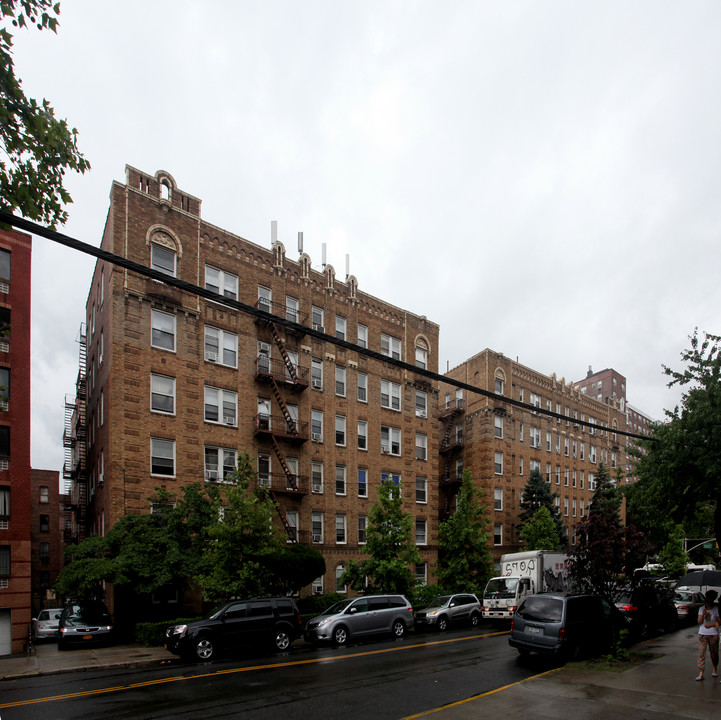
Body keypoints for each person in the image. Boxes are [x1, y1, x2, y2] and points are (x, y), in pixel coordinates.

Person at [696, 589, 719, 680]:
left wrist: (712, 624)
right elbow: (699, 622)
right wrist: (703, 615)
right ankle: (701, 672)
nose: (708, 599)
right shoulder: (702, 609)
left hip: (713, 634)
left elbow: (718, 622)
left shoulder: (716, 609)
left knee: (714, 653)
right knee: (701, 653)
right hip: (702, 633)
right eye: (707, 597)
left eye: (711, 597)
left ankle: (715, 669)